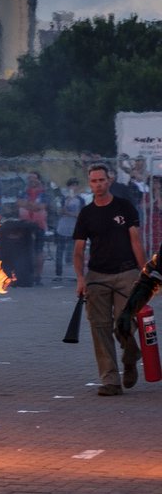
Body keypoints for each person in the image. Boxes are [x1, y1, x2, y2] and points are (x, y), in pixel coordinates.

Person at [72, 164, 145, 396]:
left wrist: (144, 272)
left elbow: (136, 241)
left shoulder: (124, 207)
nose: (98, 184)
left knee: (124, 323)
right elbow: (78, 250)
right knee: (99, 327)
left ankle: (130, 355)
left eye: (102, 180)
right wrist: (81, 279)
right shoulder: (86, 213)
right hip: (97, 276)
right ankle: (111, 380)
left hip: (127, 273)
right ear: (90, 184)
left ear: (109, 180)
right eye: (94, 181)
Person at [18, 172, 49, 285]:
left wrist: (29, 206)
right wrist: (32, 206)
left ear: (38, 180)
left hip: (39, 224)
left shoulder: (44, 193)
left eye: (34, 178)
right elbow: (20, 203)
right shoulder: (23, 191)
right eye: (29, 178)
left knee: (38, 251)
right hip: (24, 224)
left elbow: (42, 206)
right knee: (24, 251)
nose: (31, 180)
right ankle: (26, 274)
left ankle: (38, 276)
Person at [55, 178, 83, 278]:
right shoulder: (63, 198)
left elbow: (80, 214)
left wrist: (69, 213)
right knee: (59, 251)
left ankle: (77, 274)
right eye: (71, 185)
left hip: (74, 228)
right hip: (62, 228)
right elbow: (60, 211)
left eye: (75, 185)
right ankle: (58, 274)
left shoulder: (80, 199)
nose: (73, 188)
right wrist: (67, 201)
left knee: (75, 253)